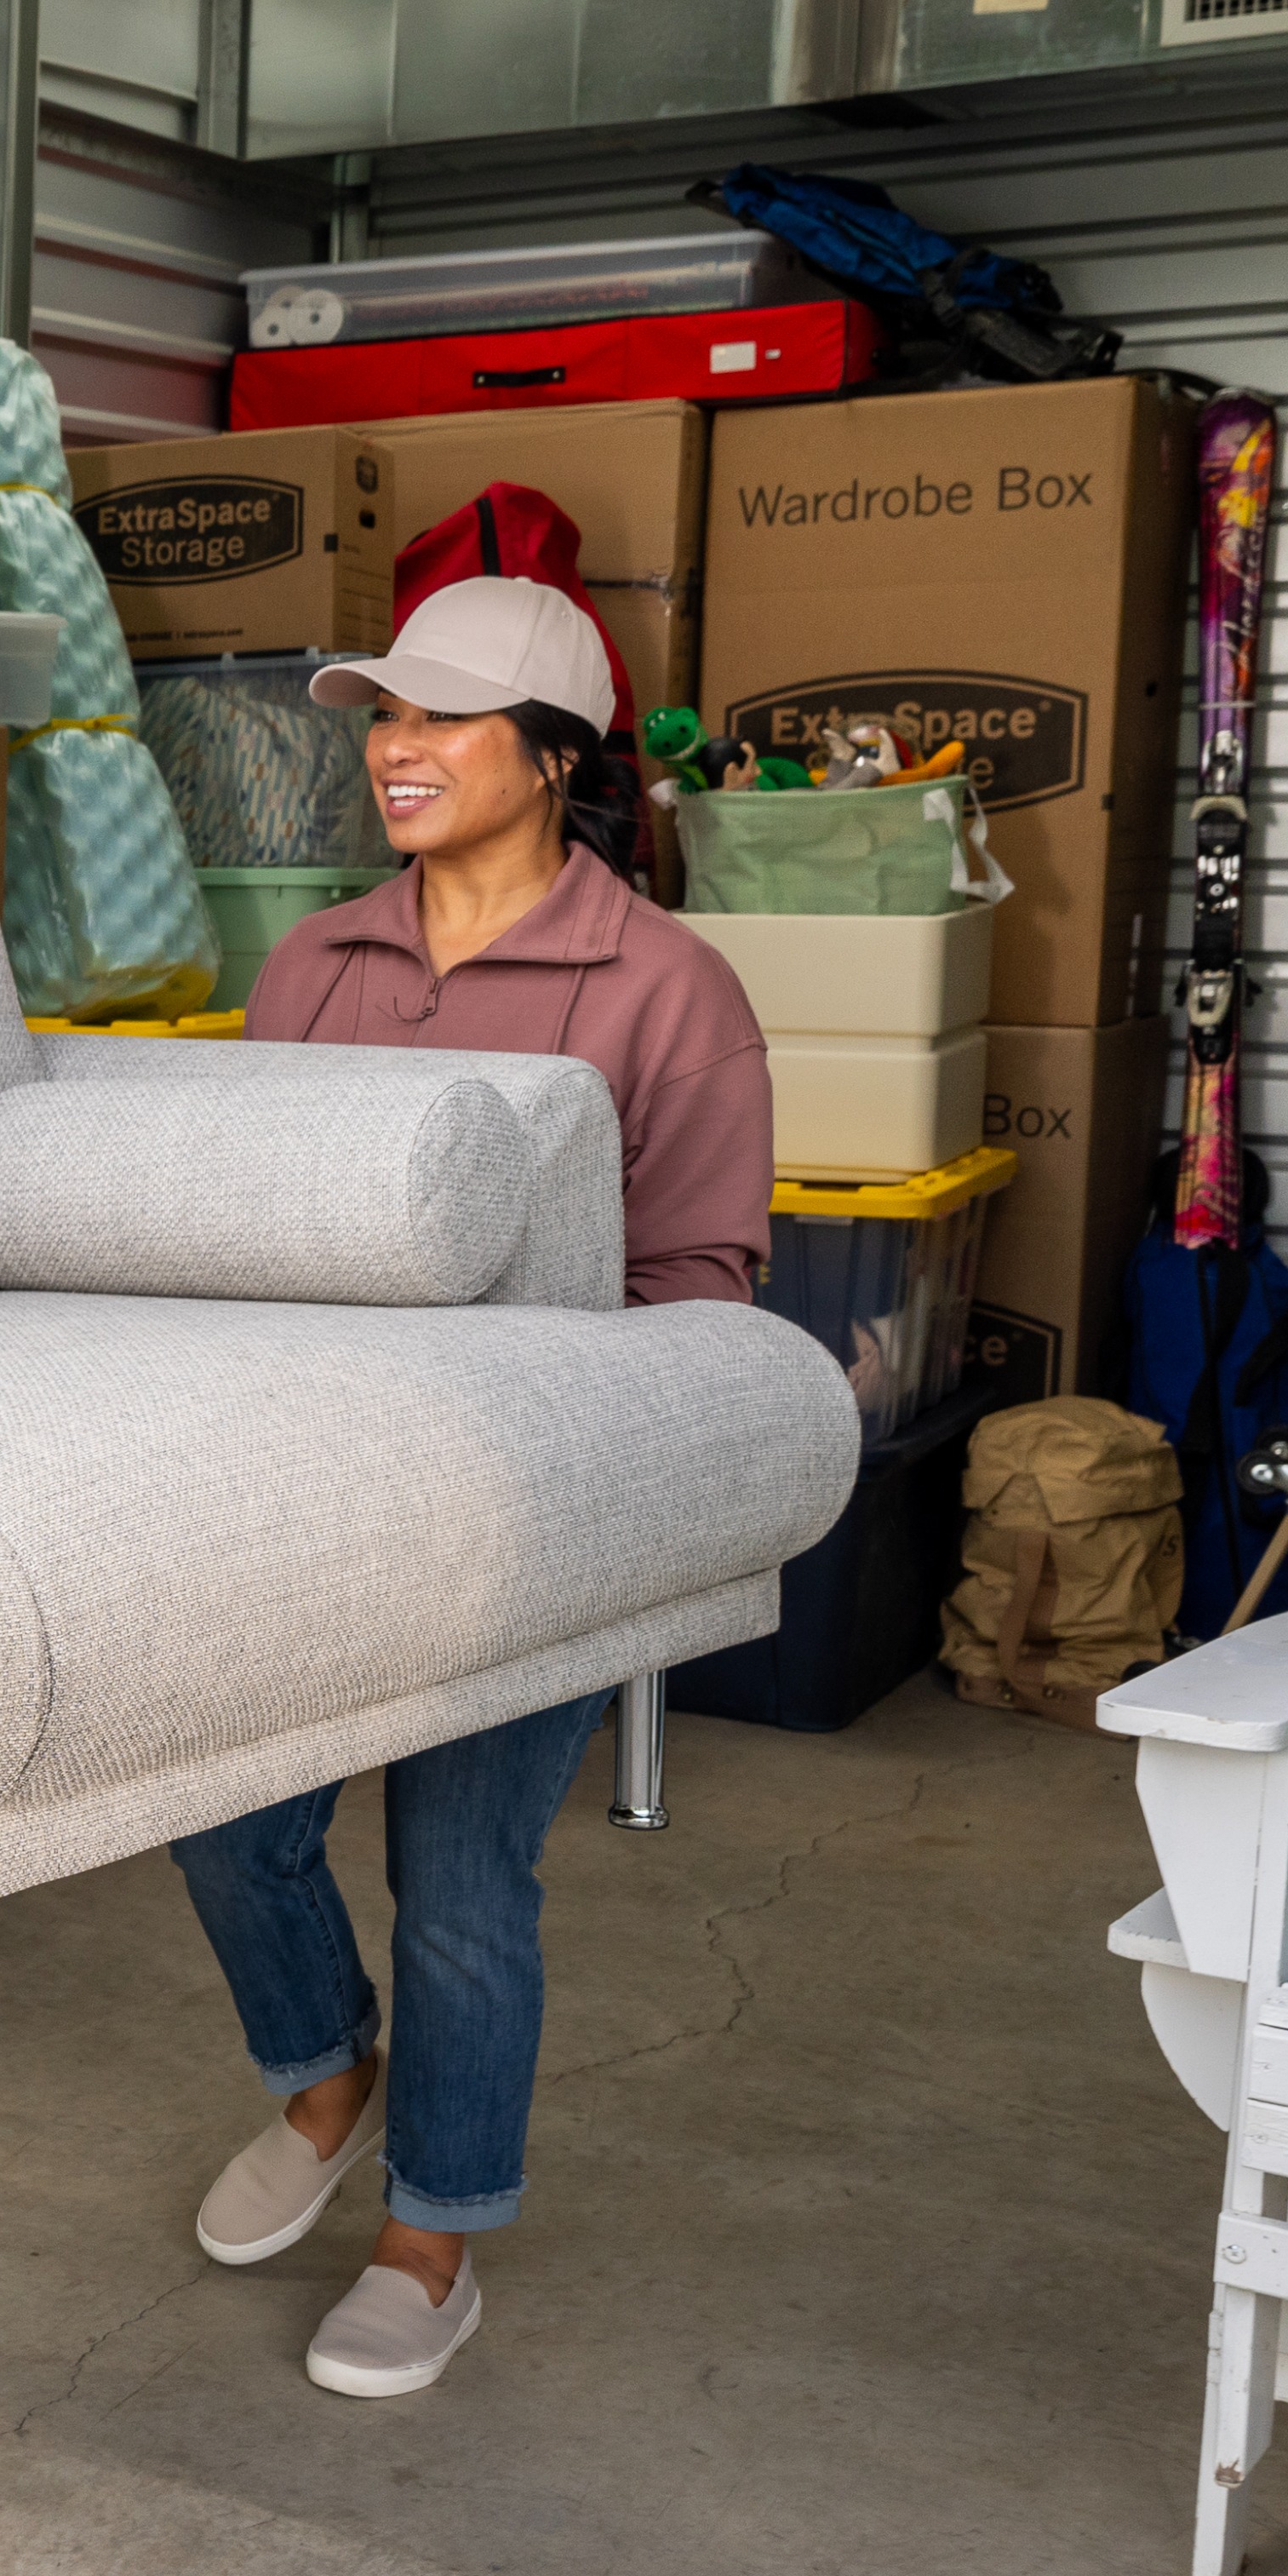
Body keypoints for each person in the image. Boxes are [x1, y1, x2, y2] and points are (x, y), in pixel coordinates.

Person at [169, 572, 775, 2401]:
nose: (394, 747)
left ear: (555, 753)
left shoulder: (665, 988)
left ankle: (429, 2236)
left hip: (535, 1503)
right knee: (217, 1812)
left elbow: (699, 1287)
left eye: (439, 715)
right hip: (316, 1483)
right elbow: (253, 1223)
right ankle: (326, 2080)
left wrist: (562, 1443)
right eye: (382, 714)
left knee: (455, 1879)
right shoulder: (315, 964)